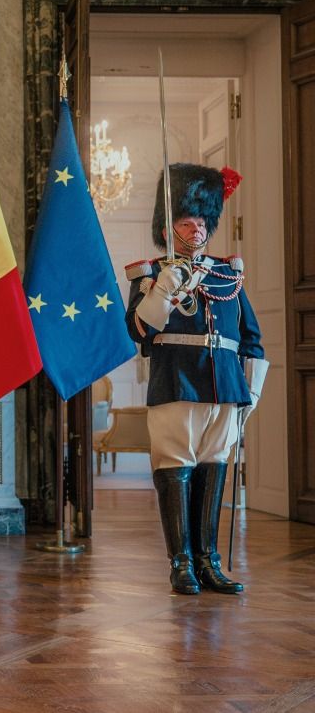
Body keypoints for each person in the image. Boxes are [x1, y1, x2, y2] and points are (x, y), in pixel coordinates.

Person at [125, 163, 267, 596]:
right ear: (168, 230)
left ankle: (209, 562)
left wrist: (251, 390)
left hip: (225, 386)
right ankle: (181, 563)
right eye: (187, 222)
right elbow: (139, 331)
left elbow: (250, 339)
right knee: (175, 466)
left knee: (214, 465)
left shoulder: (228, 274)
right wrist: (163, 290)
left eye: (202, 222)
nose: (197, 229)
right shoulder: (150, 274)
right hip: (177, 382)